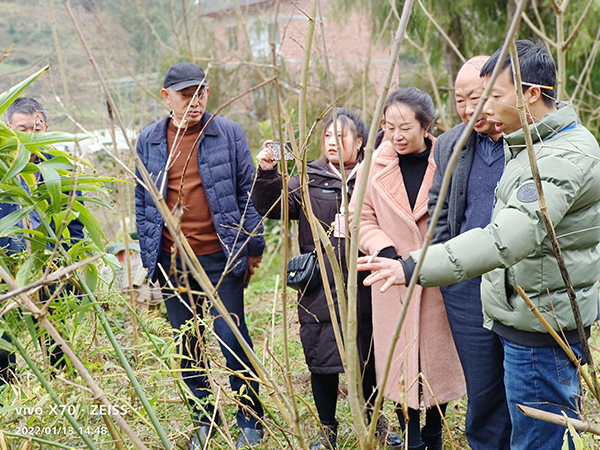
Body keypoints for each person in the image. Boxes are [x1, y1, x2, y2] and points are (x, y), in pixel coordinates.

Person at [358, 40, 600, 450]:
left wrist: (413, 266)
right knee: (495, 415)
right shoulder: (528, 143)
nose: (481, 109)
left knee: (536, 438)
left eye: (492, 96)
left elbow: (505, 237)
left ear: (531, 94)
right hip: (513, 308)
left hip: (541, 323)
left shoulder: (559, 157)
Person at [251, 109, 402, 450]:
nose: (333, 142)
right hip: (320, 284)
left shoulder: (373, 175)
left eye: (342, 136)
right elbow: (271, 205)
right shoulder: (310, 177)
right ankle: (326, 429)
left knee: (369, 355)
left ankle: (375, 423)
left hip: (366, 279)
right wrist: (267, 172)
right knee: (321, 358)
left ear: (360, 141)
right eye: (328, 137)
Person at [134, 62, 265, 449]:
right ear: (166, 97)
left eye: (200, 93)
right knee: (186, 344)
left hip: (220, 257)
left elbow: (248, 192)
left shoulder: (227, 133)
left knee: (232, 337)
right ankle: (204, 419)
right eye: (185, 94)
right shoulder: (150, 140)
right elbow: (142, 202)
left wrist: (252, 247)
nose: (194, 101)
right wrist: (149, 258)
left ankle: (250, 418)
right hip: (173, 261)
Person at [350, 88, 465, 450]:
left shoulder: (448, 160)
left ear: (427, 126)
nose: (395, 136)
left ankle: (434, 433)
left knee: (438, 363)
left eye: (404, 128)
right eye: (388, 127)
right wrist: (383, 247)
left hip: (438, 279)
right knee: (401, 365)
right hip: (391, 281)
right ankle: (411, 438)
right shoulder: (373, 163)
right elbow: (359, 217)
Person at [426, 56, 511, 450]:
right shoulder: (449, 143)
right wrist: (447, 269)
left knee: (522, 380)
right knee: (482, 385)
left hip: (518, 283)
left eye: (475, 97)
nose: (466, 109)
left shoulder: (526, 138)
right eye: (458, 100)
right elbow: (438, 211)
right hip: (466, 287)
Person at [1, 98, 85, 384]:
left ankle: (63, 390)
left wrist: (68, 260)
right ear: (8, 130)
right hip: (7, 266)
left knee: (58, 338)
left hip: (50, 266)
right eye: (21, 128)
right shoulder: (3, 172)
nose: (30, 135)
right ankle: (8, 395)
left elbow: (75, 221)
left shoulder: (62, 168)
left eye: (36, 128)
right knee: (4, 343)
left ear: (47, 128)